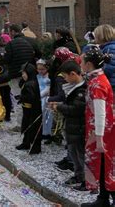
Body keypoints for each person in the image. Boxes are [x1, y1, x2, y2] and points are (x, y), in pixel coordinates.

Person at [80, 46, 114, 207]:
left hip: (103, 132)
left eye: (82, 61)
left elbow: (101, 113)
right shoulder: (96, 79)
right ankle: (103, 199)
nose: (79, 63)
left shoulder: (97, 84)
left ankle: (107, 198)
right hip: (99, 130)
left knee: (107, 165)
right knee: (102, 165)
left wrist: (99, 139)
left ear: (88, 64)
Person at [49, 60, 87, 190]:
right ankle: (78, 175)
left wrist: (59, 107)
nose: (64, 79)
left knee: (80, 155)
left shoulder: (81, 90)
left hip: (79, 128)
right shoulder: (74, 87)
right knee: (73, 153)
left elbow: (76, 109)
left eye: (65, 76)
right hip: (71, 127)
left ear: (73, 74)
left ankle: (86, 181)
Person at [16, 63, 42, 154]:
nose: (22, 75)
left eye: (24, 73)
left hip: (32, 110)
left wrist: (22, 98)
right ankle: (26, 143)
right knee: (26, 126)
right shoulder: (30, 82)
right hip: (27, 109)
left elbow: (31, 97)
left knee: (32, 128)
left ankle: (35, 147)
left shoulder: (30, 84)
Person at [93, 24, 115, 96]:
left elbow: (109, 68)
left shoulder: (110, 48)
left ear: (101, 36)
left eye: (96, 35)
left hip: (112, 83)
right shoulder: (105, 47)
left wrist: (94, 71)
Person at [36, 59, 52, 143]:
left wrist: (39, 95)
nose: (40, 71)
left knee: (46, 116)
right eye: (39, 69)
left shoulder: (48, 77)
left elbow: (47, 89)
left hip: (45, 97)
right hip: (38, 96)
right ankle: (40, 131)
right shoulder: (38, 76)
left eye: (42, 69)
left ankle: (46, 133)